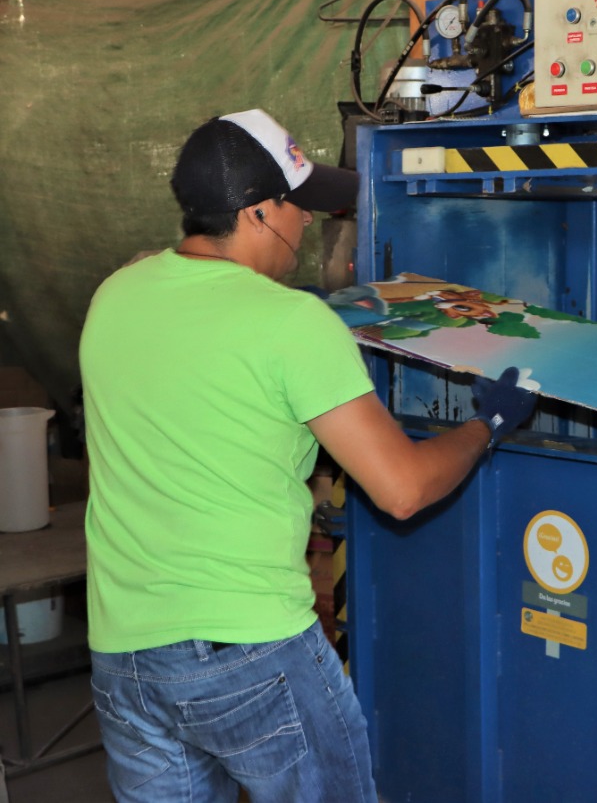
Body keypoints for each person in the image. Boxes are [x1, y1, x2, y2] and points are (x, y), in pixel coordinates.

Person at [79, 109, 536, 802]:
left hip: (125, 654)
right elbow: (402, 489)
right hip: (250, 651)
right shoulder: (291, 322)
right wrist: (486, 427)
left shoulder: (114, 296)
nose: (305, 229)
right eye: (300, 208)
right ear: (258, 211)